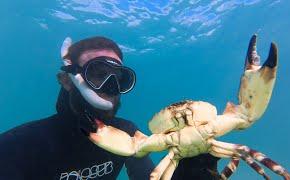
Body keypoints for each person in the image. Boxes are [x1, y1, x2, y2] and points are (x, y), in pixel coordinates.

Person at [0, 36, 220, 180]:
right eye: (97, 74)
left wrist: (191, 172)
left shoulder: (127, 135)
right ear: (67, 81)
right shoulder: (15, 145)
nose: (110, 88)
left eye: (119, 79)